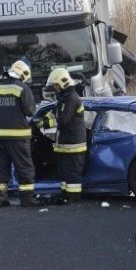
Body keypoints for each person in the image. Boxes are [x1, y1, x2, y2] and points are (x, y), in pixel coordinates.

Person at [0, 60, 37, 207]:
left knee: (1, 168)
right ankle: (27, 199)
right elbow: (30, 111)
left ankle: (0, 199)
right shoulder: (23, 88)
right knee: (24, 167)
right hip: (18, 136)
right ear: (22, 74)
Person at [47, 67, 86, 203]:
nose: (55, 87)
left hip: (74, 144)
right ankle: (65, 195)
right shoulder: (63, 98)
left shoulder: (71, 98)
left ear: (63, 82)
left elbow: (63, 120)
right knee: (64, 172)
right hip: (65, 143)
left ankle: (73, 197)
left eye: (56, 84)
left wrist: (49, 122)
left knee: (72, 173)